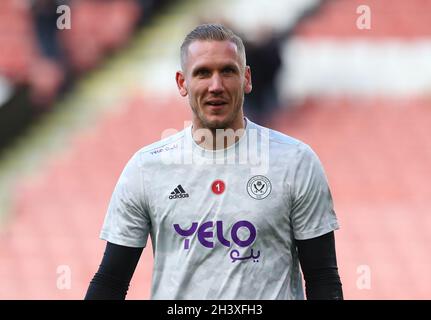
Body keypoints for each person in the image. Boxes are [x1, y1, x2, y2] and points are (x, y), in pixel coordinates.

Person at [85, 23, 343, 300]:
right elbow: (111, 281)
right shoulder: (146, 169)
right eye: (203, 73)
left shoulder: (296, 162)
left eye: (227, 71)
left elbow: (322, 279)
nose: (216, 86)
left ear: (246, 78)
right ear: (183, 83)